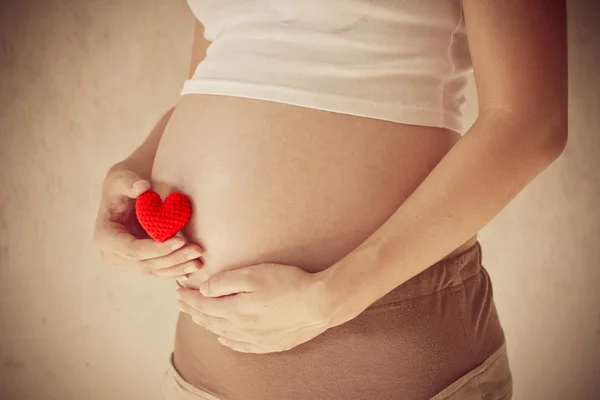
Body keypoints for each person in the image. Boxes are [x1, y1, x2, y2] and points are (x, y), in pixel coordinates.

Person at [93, 1, 567, 399]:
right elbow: (220, 71)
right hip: (203, 378)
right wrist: (134, 168)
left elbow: (530, 122)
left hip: (396, 372)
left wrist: (333, 297)